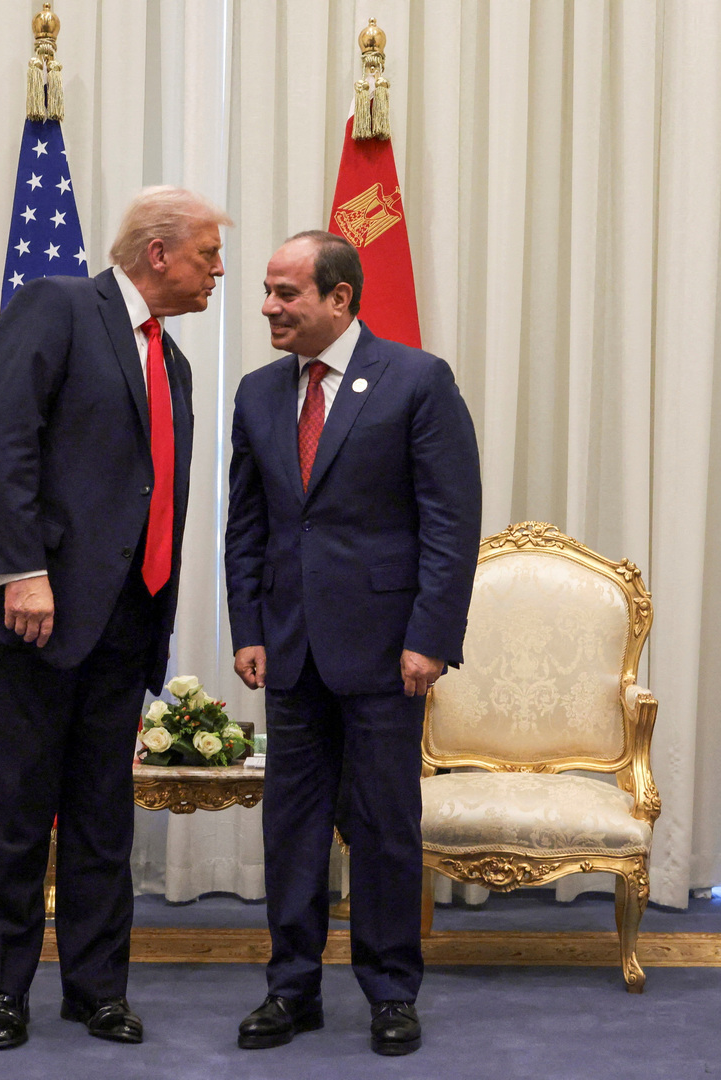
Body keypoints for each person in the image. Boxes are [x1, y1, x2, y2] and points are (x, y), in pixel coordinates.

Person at [0, 187, 231, 1051]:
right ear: (159, 253)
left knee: (104, 815)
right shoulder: (58, 306)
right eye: (209, 254)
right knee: (20, 807)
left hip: (125, 618)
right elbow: (7, 438)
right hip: (32, 609)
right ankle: (3, 989)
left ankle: (97, 990)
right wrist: (22, 570)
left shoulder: (173, 364)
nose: (219, 271)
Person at [224, 231, 481, 1057]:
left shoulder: (417, 380)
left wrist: (431, 637)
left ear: (340, 299)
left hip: (385, 651)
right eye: (267, 290)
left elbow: (450, 522)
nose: (269, 306)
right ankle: (291, 989)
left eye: (286, 292)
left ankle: (391, 991)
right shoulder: (259, 393)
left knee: (383, 826)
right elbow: (247, 524)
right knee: (291, 830)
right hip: (290, 650)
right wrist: (248, 628)